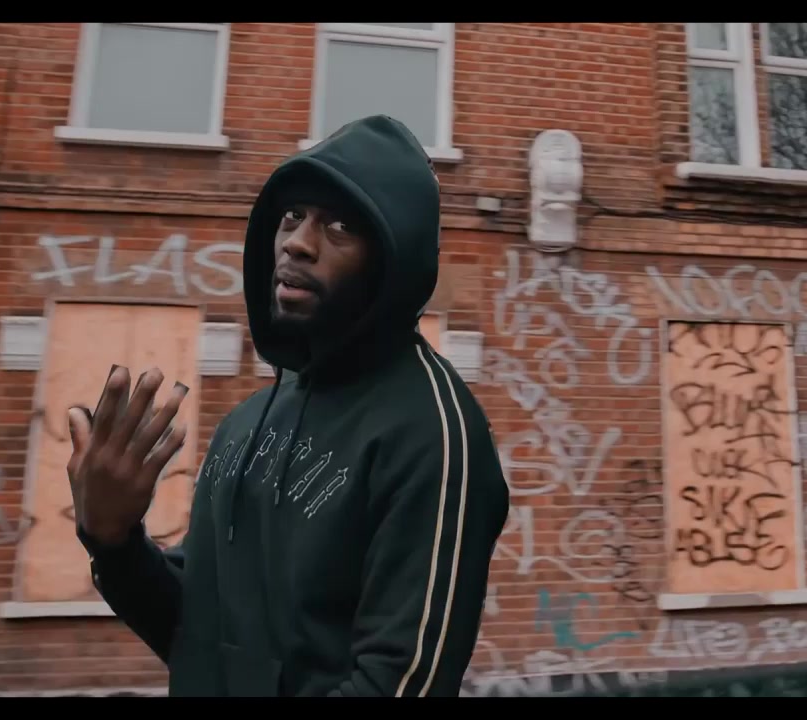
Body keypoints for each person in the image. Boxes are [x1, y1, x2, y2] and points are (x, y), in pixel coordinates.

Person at [64, 115, 511, 697]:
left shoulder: (433, 432)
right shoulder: (245, 424)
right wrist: (114, 542)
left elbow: (399, 684)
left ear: (392, 264)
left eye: (341, 226)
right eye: (293, 215)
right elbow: (195, 637)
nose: (298, 241)